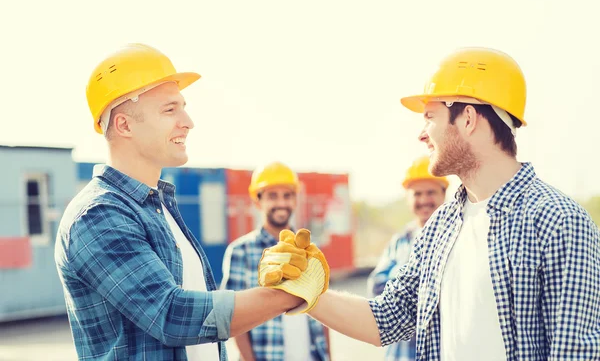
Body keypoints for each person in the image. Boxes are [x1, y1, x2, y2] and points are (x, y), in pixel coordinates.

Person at [259, 47, 600, 360]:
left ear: (467, 118)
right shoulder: (440, 227)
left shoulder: (559, 221)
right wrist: (308, 290)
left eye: (430, 116)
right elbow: (387, 319)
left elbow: (575, 353)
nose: (421, 134)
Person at [54, 43, 317, 360]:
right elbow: (171, 315)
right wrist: (289, 293)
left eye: (183, 106)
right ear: (124, 125)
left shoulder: (158, 207)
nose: (188, 121)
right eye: (169, 109)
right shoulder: (98, 215)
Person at [221, 161, 331, 361]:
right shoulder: (240, 252)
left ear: (295, 200)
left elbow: (323, 313)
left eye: (287, 195)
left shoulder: (310, 251)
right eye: (272, 196)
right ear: (257, 201)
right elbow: (233, 318)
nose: (281, 203)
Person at [366, 155, 448, 361]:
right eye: (417, 193)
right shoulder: (400, 241)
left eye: (430, 192)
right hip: (403, 355)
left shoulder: (457, 235)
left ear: (444, 194)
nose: (424, 200)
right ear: (408, 198)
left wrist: (403, 282)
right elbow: (376, 288)